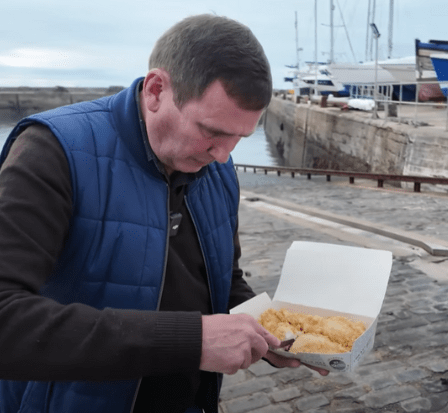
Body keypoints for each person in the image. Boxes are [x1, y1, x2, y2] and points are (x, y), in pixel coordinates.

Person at [0, 14, 326, 413]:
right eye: (212, 131)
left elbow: (221, 278)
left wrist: (268, 329)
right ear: (156, 90)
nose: (224, 155)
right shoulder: (52, 152)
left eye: (240, 138)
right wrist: (192, 342)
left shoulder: (217, 168)